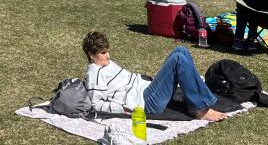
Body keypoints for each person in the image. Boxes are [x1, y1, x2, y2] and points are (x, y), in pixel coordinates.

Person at [82, 31, 227, 122]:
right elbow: (97, 104)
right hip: (145, 103)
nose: (108, 56)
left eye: (107, 51)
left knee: (180, 50)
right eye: (103, 53)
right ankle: (200, 110)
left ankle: (198, 102)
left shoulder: (104, 64)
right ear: (91, 54)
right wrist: (124, 110)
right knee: (178, 60)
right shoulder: (94, 73)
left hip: (145, 89)